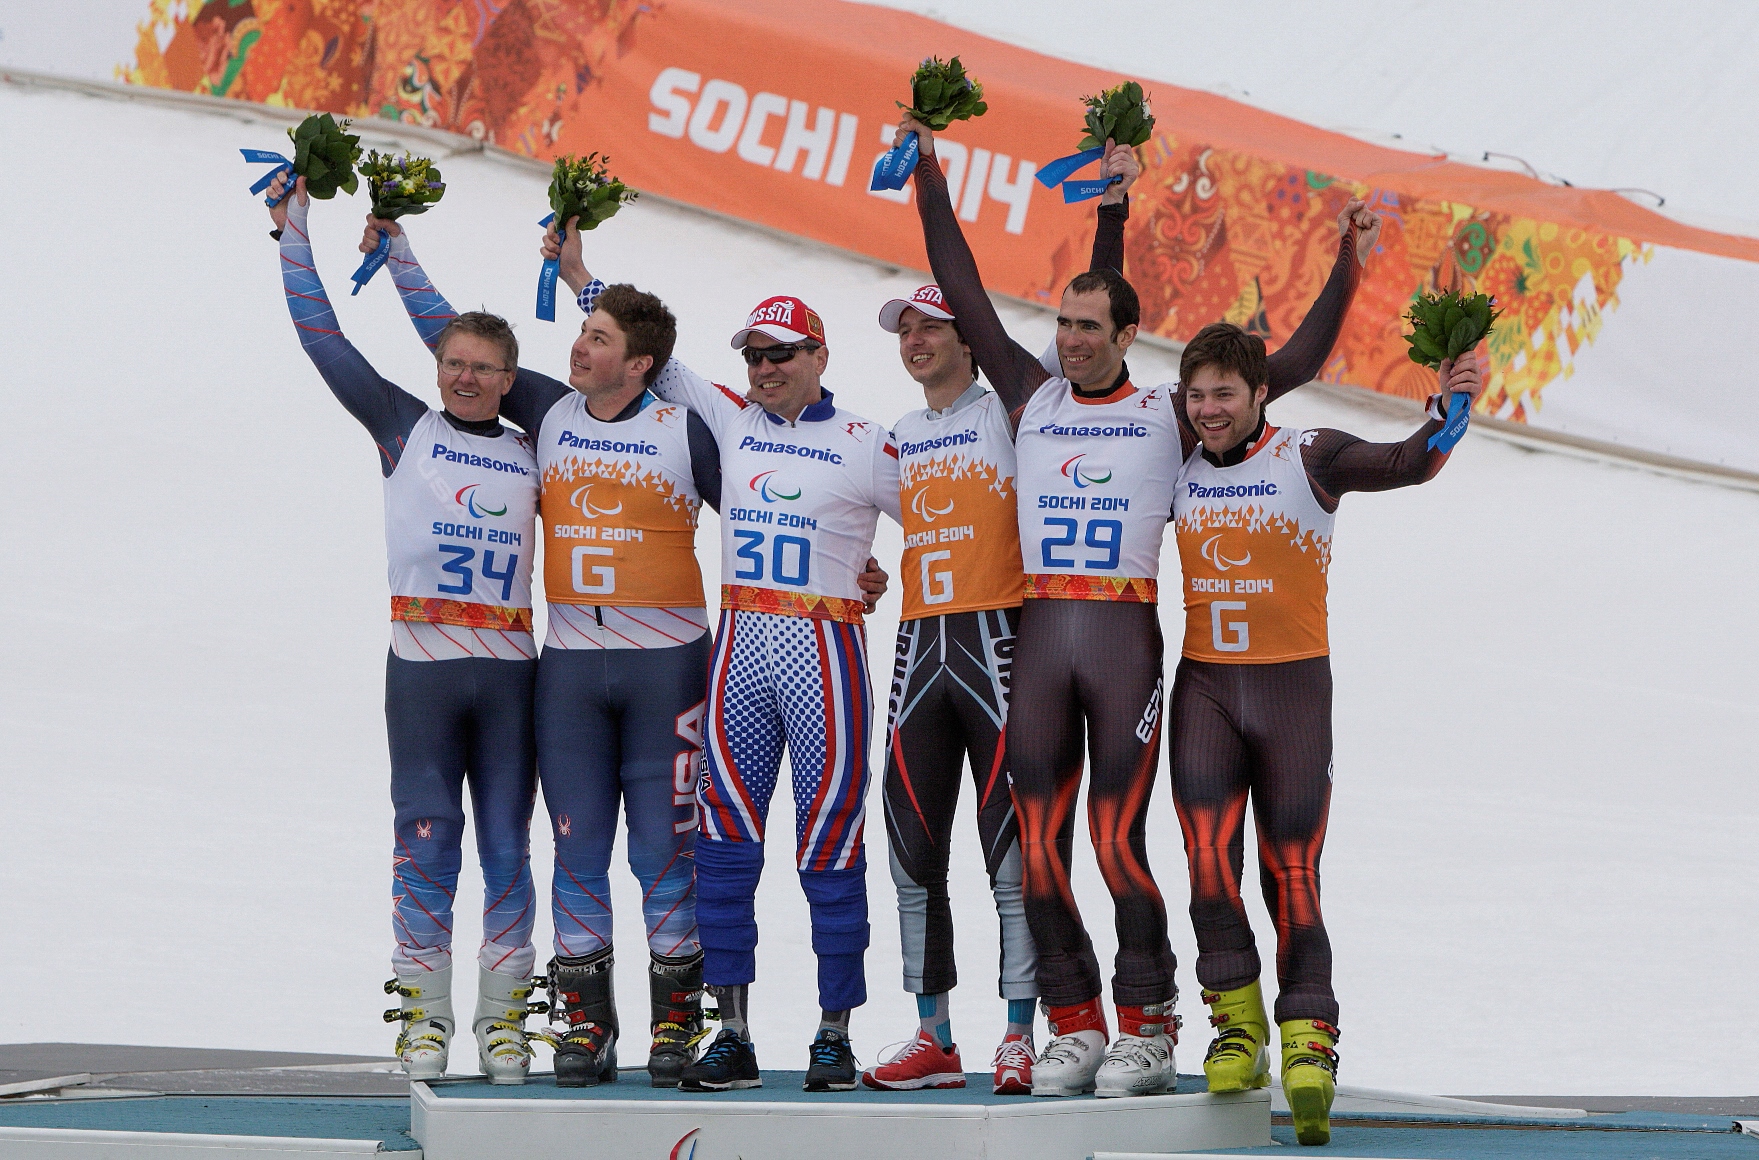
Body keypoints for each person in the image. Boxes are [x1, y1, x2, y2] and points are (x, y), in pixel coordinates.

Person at [895, 112, 1380, 1098]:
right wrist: (932, 174)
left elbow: (1291, 362)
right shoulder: (1028, 394)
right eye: (1060, 324)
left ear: (1124, 335)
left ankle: (1149, 1016)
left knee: (1117, 839)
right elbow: (966, 284)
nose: (1066, 340)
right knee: (1036, 838)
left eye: (1087, 327)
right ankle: (1073, 1020)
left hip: (1122, 639)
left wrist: (1347, 260)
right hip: (1038, 634)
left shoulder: (1171, 411)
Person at [1171, 324, 1481, 1145]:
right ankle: (1236, 1027)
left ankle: (1311, 1039)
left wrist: (1451, 409)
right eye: (1195, 395)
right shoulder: (1177, 463)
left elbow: (1408, 463)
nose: (1208, 410)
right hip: (1202, 687)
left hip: (1293, 692)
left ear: (1259, 394)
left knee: (1291, 873)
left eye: (1224, 395)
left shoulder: (1307, 454)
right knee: (1205, 859)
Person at [859, 169, 1132, 1095]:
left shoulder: (1021, 408)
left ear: (967, 341)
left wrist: (1111, 212)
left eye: (932, 325)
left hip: (997, 646)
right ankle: (932, 1034)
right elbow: (860, 525)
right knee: (907, 842)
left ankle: (1020, 1030)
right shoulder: (896, 433)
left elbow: (1099, 315)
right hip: (916, 649)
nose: (917, 339)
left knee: (1010, 850)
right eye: (905, 328)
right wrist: (855, 572)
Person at [266, 174, 542, 1084]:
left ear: (510, 380)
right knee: (425, 833)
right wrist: (294, 231)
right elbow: (322, 340)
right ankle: (422, 1020)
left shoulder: (539, 443)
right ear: (439, 369)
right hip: (421, 669)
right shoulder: (401, 425)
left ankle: (502, 1025)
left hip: (509, 672)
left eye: (483, 367)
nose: (464, 376)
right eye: (452, 362)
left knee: (507, 841)